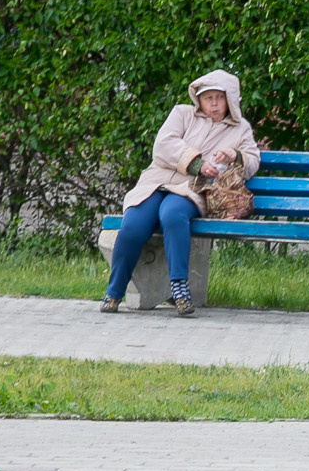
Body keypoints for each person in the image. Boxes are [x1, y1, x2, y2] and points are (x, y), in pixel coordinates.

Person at [101, 69, 258, 317]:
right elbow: (163, 144)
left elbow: (252, 161)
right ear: (200, 99)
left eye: (219, 97)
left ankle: (179, 288)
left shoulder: (240, 129)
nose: (214, 104)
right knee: (134, 225)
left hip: (193, 189)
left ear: (230, 98)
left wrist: (235, 156)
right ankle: (114, 291)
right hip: (156, 181)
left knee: (173, 215)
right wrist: (196, 164)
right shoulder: (182, 113)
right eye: (209, 98)